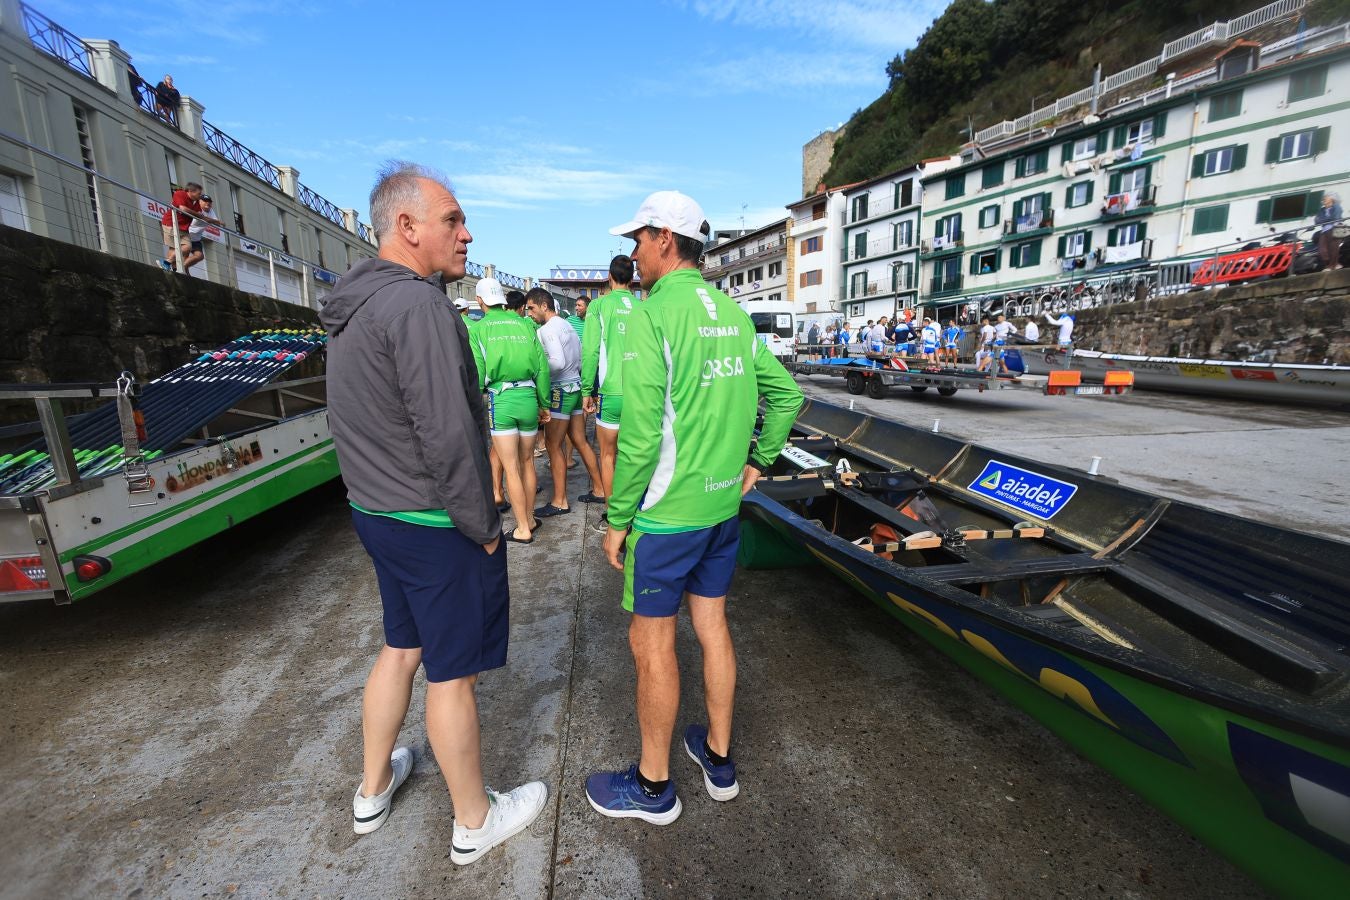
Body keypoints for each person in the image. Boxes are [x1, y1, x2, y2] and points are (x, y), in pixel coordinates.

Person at [319, 161, 545, 865]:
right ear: (407, 226)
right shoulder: (416, 307)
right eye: (453, 219)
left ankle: (373, 783)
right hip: (430, 519)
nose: (467, 234)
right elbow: (447, 433)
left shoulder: (353, 307)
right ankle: (475, 819)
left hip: (377, 511)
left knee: (401, 646)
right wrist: (483, 526)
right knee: (452, 672)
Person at [586, 189, 802, 824]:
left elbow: (642, 435)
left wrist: (617, 518)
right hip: (719, 510)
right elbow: (785, 397)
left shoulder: (651, 317)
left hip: (665, 516)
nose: (634, 252)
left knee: (650, 640)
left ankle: (654, 789)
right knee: (712, 626)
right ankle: (718, 757)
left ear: (663, 241)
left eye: (637, 240)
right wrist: (757, 463)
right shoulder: (735, 315)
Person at [469, 277, 551, 543]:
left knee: (511, 467)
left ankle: (522, 529)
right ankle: (530, 518)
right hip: (528, 397)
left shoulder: (479, 329)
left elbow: (479, 372)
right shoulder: (526, 325)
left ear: (480, 300)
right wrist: (544, 403)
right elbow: (542, 368)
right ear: (503, 300)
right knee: (528, 462)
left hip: (501, 400)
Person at [526, 287, 603, 518]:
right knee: (580, 440)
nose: (529, 313)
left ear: (543, 306)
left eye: (531, 308)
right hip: (576, 388)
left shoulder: (547, 329)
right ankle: (599, 489)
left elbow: (557, 362)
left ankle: (560, 500)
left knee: (552, 445)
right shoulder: (567, 325)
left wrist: (537, 369)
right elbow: (579, 358)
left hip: (560, 391)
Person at [581, 255, 639, 517]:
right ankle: (636, 511)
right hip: (642, 394)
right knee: (637, 457)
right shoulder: (644, 307)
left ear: (610, 277)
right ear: (633, 277)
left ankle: (614, 516)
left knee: (608, 456)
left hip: (611, 393)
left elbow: (591, 352)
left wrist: (586, 391)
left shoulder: (599, 306)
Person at [159, 182, 202, 271]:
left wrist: (197, 214)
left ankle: (167, 262)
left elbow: (199, 213)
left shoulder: (196, 202)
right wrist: (196, 214)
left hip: (184, 227)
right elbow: (182, 209)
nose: (200, 196)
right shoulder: (180, 194)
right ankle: (171, 268)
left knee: (188, 247)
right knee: (173, 247)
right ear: (191, 191)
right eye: (199, 193)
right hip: (171, 223)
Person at [179, 195, 222, 274]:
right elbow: (206, 219)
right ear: (200, 201)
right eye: (205, 201)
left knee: (199, 256)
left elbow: (217, 224)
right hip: (188, 234)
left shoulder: (211, 211)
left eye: (209, 202)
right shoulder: (196, 208)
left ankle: (182, 268)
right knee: (185, 255)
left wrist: (217, 222)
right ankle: (181, 269)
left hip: (196, 238)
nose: (208, 203)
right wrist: (217, 221)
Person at [1315, 192, 1343, 271]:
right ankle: (1331, 265)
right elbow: (1316, 221)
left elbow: (1335, 218)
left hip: (1334, 228)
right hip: (1325, 230)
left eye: (1325, 198)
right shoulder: (1322, 209)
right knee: (1321, 250)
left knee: (1333, 248)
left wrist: (1322, 220)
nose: (1323, 200)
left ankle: (1332, 266)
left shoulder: (1337, 207)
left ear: (1332, 199)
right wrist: (1325, 220)